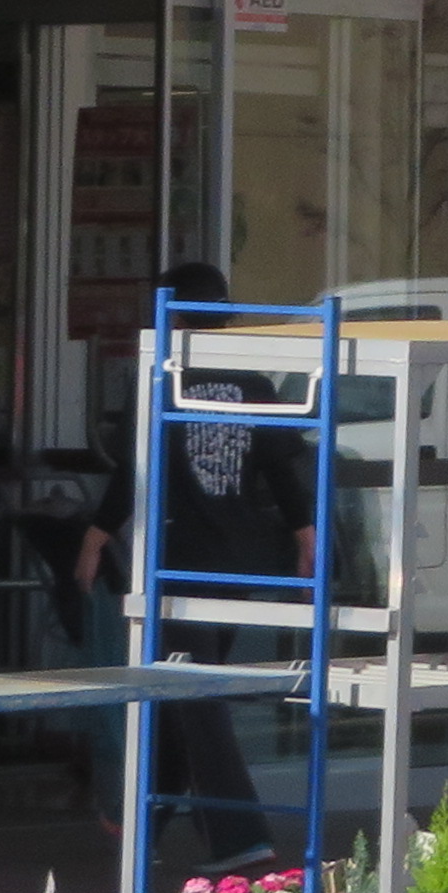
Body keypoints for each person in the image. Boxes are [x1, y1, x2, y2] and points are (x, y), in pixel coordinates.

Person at [81, 263, 309, 862]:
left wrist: (96, 536)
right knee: (182, 691)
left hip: (176, 564)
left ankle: (241, 836)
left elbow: (134, 470)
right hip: (234, 564)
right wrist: (305, 535)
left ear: (174, 316)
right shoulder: (253, 384)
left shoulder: (161, 379)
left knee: (194, 694)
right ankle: (138, 819)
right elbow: (281, 470)